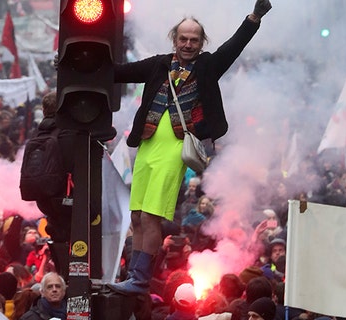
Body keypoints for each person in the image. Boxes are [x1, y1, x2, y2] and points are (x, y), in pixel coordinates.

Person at [108, 0, 272, 296]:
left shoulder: (208, 65)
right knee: (136, 216)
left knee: (150, 216)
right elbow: (118, 72)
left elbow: (234, 46)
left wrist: (255, 17)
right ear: (175, 39)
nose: (187, 44)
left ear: (201, 42)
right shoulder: (159, 64)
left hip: (176, 145)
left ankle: (141, 279)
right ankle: (133, 274)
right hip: (146, 143)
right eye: (183, 39)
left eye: (194, 40)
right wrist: (73, 63)